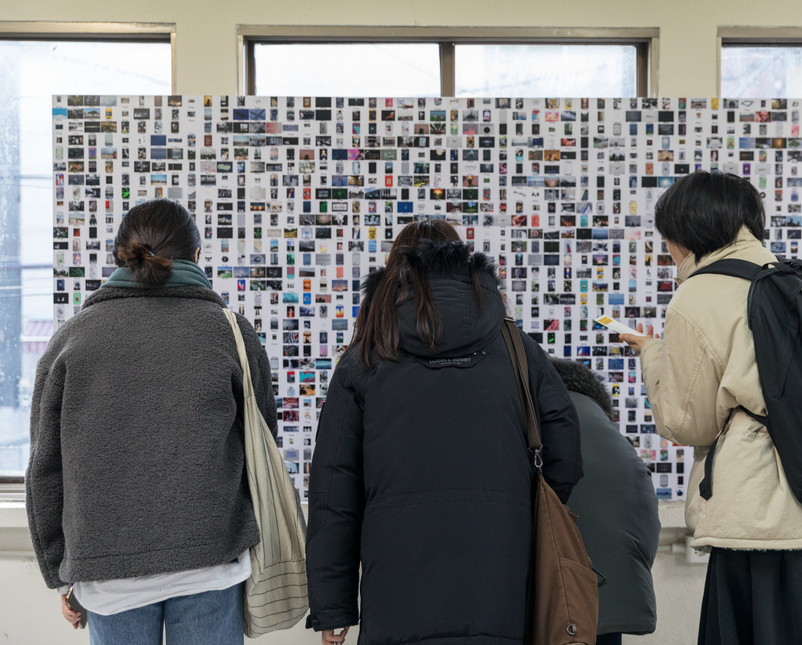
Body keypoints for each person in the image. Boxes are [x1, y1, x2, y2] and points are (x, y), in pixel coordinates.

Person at [620, 172, 802, 645]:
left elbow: (687, 422)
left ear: (683, 235)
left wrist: (651, 353)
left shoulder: (700, 294)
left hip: (765, 526)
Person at [305, 220, 582, 645]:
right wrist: (517, 513)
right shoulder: (516, 347)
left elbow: (332, 493)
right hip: (502, 581)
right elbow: (564, 451)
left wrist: (333, 604)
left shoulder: (365, 357)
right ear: (458, 264)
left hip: (397, 593)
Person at [26, 199, 276, 645]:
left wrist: (60, 570)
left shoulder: (72, 341)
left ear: (121, 255)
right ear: (196, 257)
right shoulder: (230, 333)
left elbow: (45, 471)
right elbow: (262, 450)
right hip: (210, 563)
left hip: (106, 573)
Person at [549, 358, 660, 645]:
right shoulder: (608, 432)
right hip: (608, 587)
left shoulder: (534, 414)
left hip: (551, 597)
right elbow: (644, 516)